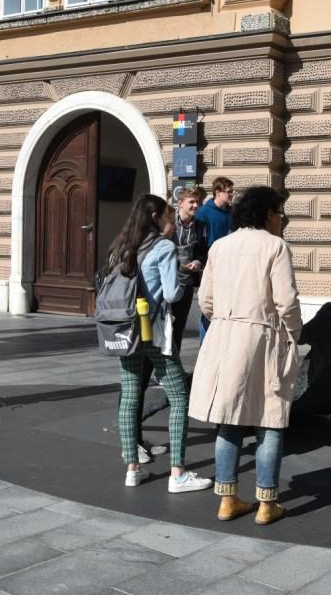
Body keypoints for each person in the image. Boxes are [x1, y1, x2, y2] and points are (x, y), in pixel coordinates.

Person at [189, 186, 302, 525]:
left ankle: (227, 500)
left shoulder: (219, 246)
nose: (281, 217)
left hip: (225, 338)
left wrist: (224, 321)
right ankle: (266, 503)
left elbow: (205, 300)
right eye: (278, 211)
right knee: (270, 419)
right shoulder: (275, 246)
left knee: (230, 419)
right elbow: (287, 300)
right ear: (266, 212)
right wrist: (295, 334)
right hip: (264, 338)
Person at [105, 195, 212, 493]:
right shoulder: (163, 248)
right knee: (179, 396)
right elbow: (173, 294)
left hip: (125, 331)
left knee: (129, 396)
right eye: (167, 214)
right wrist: (180, 275)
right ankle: (177, 474)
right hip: (154, 332)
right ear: (155, 217)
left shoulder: (121, 247)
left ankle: (132, 468)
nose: (171, 220)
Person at [194, 177, 234, 343]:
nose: (232, 194)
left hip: (229, 267)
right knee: (209, 306)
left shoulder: (232, 213)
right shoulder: (204, 213)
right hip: (210, 267)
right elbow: (199, 241)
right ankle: (205, 343)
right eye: (229, 191)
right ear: (218, 192)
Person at [171, 187, 207, 355]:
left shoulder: (199, 225)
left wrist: (198, 261)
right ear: (180, 203)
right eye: (191, 202)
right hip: (168, 280)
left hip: (186, 281)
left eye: (197, 202)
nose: (195, 206)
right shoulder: (169, 222)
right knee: (164, 325)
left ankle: (174, 364)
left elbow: (203, 250)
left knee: (179, 325)